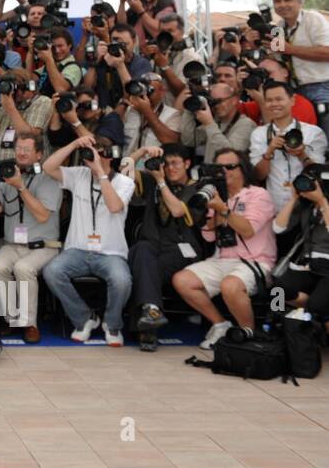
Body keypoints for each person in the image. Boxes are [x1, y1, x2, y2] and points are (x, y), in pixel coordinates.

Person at [172, 147, 277, 349]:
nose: (224, 172)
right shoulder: (216, 195)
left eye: (229, 167)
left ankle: (249, 334)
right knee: (182, 280)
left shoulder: (258, 194)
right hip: (222, 258)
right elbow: (209, 236)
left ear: (243, 169)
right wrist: (210, 214)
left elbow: (247, 230)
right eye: (219, 168)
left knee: (230, 285)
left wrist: (223, 210)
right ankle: (220, 324)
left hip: (256, 261)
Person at [41, 134, 135, 345]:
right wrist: (75, 143)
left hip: (111, 253)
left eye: (99, 154)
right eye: (89, 154)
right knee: (52, 272)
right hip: (77, 251)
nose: (91, 159)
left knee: (121, 280)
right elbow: (48, 166)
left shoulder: (125, 182)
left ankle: (112, 325)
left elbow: (114, 207)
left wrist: (101, 173)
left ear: (110, 156)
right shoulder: (79, 175)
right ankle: (85, 319)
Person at [123, 144, 202, 351]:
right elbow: (124, 171)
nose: (169, 168)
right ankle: (151, 312)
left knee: (146, 269)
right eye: (165, 164)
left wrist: (161, 181)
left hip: (182, 248)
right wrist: (142, 152)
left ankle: (146, 329)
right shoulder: (152, 180)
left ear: (187, 164)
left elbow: (177, 211)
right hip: (153, 243)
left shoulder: (198, 188)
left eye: (175, 163)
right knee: (139, 250)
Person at [0, 135, 62, 343]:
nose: (21, 153)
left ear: (39, 154)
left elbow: (43, 215)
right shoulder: (7, 177)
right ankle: (11, 319)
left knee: (23, 268)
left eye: (27, 149)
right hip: (13, 245)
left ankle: (29, 323)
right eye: (18, 148)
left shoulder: (48, 178)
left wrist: (21, 187)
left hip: (44, 246)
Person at [249, 81, 328, 213]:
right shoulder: (259, 134)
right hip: (274, 206)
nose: (274, 104)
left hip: (307, 205)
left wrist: (302, 153)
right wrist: (269, 152)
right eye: (269, 100)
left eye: (279, 99)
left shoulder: (313, 132)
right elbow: (258, 176)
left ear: (292, 100)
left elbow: (319, 174)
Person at [271, 0, 329, 137]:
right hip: (293, 91)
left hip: (321, 86)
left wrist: (290, 49)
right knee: (304, 140)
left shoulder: (313, 19)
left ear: (300, 1)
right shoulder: (277, 27)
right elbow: (279, 62)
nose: (282, 5)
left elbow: (327, 52)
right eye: (278, 1)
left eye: (287, 0)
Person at [271, 168, 329, 318]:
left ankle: (312, 312)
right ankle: (275, 318)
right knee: (277, 290)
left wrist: (322, 201)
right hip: (308, 265)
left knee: (317, 305)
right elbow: (278, 228)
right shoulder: (306, 206)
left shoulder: (322, 204)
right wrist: (293, 199)